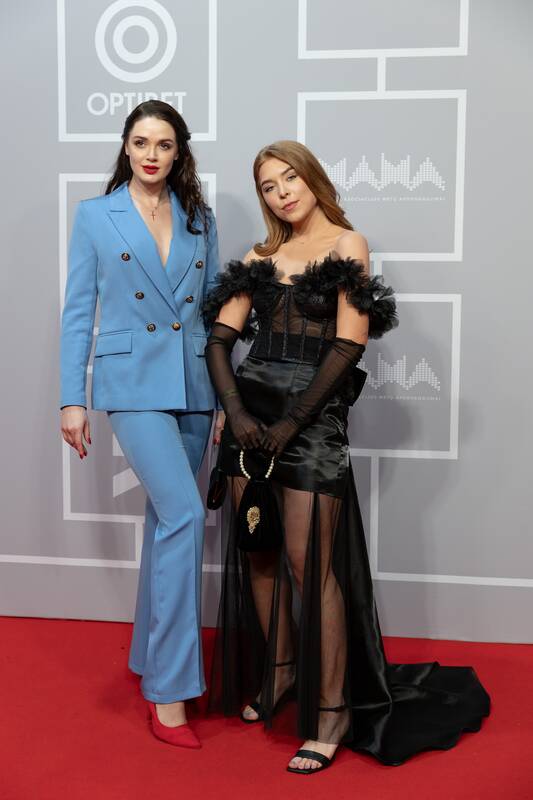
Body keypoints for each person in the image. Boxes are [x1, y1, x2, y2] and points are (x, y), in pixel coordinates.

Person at [203, 140, 490, 773]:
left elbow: (347, 346)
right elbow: (220, 341)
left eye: (290, 178)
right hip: (250, 421)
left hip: (310, 423)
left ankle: (331, 712)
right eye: (269, 186)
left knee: (311, 568)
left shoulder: (347, 245)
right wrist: (241, 416)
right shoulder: (259, 256)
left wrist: (292, 424)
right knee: (259, 554)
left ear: (312, 179)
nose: (282, 192)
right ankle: (280, 673)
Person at [60, 100, 222, 749]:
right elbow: (78, 311)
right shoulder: (95, 216)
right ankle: (170, 690)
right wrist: (72, 399)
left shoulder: (199, 218)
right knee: (184, 514)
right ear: (125, 148)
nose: (151, 154)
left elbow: (213, 313)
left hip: (194, 383)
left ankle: (148, 657)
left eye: (163, 144)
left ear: (179, 152)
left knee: (165, 524)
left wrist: (225, 399)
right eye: (140, 142)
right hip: (131, 383)